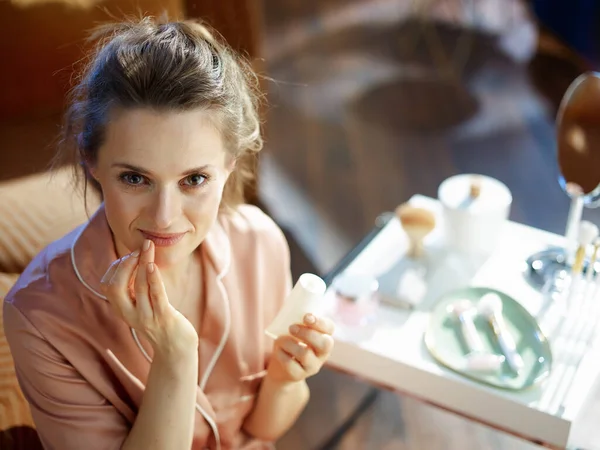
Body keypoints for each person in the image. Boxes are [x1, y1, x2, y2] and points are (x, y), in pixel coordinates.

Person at [3, 16, 335, 450]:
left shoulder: (260, 244)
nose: (164, 217)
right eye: (135, 179)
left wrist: (286, 377)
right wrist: (176, 355)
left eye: (194, 179)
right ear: (91, 161)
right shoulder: (40, 317)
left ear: (230, 163)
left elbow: (264, 430)